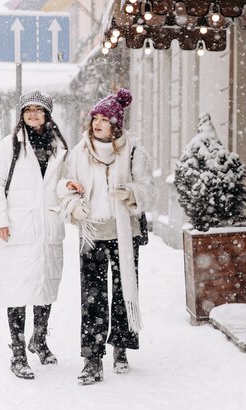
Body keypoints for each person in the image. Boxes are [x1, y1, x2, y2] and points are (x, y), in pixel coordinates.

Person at [57, 88, 155, 385]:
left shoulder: (133, 152)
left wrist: (132, 193)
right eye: (95, 118)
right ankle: (92, 358)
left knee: (124, 290)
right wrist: (72, 203)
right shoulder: (79, 152)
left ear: (116, 124)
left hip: (124, 232)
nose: (97, 123)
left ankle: (121, 346)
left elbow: (149, 188)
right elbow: (64, 185)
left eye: (104, 119)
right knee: (92, 297)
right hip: (91, 232)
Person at [0, 91, 68, 379]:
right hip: (17, 229)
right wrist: (0, 220)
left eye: (39, 110)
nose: (33, 114)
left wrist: (70, 189)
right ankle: (18, 352)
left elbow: (60, 182)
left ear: (47, 115)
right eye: (28, 109)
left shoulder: (59, 146)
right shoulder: (10, 145)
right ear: (21, 114)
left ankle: (39, 340)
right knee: (16, 291)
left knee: (46, 289)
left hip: (48, 229)